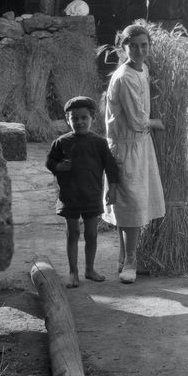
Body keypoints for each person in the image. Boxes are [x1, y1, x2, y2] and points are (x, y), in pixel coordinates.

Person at [103, 24, 165, 284]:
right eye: (134, 46)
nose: (140, 51)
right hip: (126, 146)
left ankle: (122, 257)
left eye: (144, 45)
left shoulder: (143, 70)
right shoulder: (124, 77)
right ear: (123, 47)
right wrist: (157, 123)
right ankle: (131, 260)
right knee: (131, 204)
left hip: (140, 145)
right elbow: (138, 120)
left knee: (128, 204)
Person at [46, 96, 119, 288]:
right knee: (73, 233)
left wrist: (112, 188)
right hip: (69, 196)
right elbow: (50, 162)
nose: (79, 122)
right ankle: (73, 272)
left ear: (92, 118)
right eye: (74, 118)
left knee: (92, 234)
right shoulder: (61, 142)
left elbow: (111, 167)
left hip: (91, 195)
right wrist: (59, 167)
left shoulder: (99, 143)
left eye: (84, 118)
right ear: (67, 119)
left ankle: (90, 269)